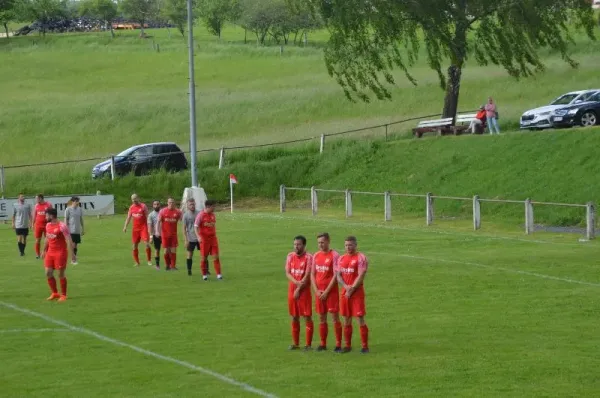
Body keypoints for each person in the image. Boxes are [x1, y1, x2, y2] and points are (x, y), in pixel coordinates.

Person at [337, 236, 369, 353]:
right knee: (346, 319)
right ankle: (347, 345)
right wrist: (346, 287)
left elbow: (361, 275)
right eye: (346, 245)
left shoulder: (361, 258)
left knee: (360, 318)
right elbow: (338, 275)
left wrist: (352, 288)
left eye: (350, 245)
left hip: (357, 293)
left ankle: (365, 346)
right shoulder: (341, 258)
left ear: (355, 245)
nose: (348, 247)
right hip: (345, 292)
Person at [311, 232, 342, 352]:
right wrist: (316, 290)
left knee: (335, 317)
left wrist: (326, 291)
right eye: (319, 243)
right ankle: (323, 343)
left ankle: (338, 344)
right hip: (319, 292)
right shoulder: (316, 255)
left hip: (331, 292)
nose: (320, 245)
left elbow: (335, 275)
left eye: (322, 242)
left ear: (328, 241)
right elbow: (313, 274)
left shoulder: (334, 255)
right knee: (321, 318)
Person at [285, 235, 314, 351]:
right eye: (295, 244)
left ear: (304, 245)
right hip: (292, 290)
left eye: (299, 244)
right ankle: (295, 343)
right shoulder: (290, 256)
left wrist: (298, 289)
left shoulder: (309, 257)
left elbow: (307, 276)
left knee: (307, 316)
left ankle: (308, 344)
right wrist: (296, 283)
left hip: (304, 292)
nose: (296, 247)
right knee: (294, 317)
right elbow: (287, 272)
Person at [42, 207, 75, 302]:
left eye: (47, 215)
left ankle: (64, 295)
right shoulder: (48, 225)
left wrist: (72, 254)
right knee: (48, 273)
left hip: (60, 253)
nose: (45, 217)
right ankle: (55, 293)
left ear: (52, 216)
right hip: (50, 252)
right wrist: (44, 250)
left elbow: (68, 240)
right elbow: (47, 238)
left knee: (60, 274)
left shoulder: (62, 226)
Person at [194, 199, 222, 281]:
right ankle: (204, 275)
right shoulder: (201, 215)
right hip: (204, 240)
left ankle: (219, 274)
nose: (214, 208)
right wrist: (198, 237)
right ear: (208, 207)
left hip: (213, 239)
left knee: (216, 256)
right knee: (204, 258)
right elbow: (195, 226)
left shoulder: (213, 215)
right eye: (213, 206)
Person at [123, 194, 152, 267]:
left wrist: (149, 226)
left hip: (143, 228)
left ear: (138, 198)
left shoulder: (143, 206)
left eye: (135, 198)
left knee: (147, 244)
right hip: (135, 229)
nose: (134, 200)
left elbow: (148, 217)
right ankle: (137, 262)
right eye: (132, 199)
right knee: (134, 246)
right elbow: (128, 217)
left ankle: (149, 260)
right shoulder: (131, 207)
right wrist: (125, 226)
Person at [158, 197, 183, 271]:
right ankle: (167, 265)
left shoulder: (178, 212)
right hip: (165, 234)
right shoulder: (163, 211)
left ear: (174, 203)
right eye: (170, 202)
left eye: (172, 202)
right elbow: (158, 222)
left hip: (173, 235)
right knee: (166, 251)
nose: (171, 204)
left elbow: (182, 220)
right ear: (167, 203)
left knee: (173, 250)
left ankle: (173, 266)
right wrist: (157, 231)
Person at [64, 196, 84, 265]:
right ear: (72, 202)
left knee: (75, 245)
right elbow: (66, 219)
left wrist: (83, 228)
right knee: (72, 245)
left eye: (78, 201)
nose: (77, 202)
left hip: (77, 230)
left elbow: (81, 219)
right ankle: (73, 260)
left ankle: (74, 257)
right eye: (76, 201)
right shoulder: (68, 209)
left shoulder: (79, 209)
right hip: (70, 230)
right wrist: (65, 229)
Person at [182, 198, 200, 276]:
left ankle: (206, 270)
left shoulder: (199, 213)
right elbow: (183, 228)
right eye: (190, 204)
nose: (192, 206)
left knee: (204, 254)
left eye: (193, 204)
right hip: (191, 238)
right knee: (189, 254)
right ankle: (189, 270)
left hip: (199, 237)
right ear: (188, 205)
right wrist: (186, 240)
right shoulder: (185, 215)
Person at [32, 194, 53, 259]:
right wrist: (33, 224)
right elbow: (34, 215)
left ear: (41, 198)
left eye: (37, 198)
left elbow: (52, 214)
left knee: (47, 239)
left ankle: (46, 253)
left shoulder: (48, 205)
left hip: (47, 225)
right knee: (38, 240)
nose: (36, 200)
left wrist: (52, 223)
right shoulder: (36, 206)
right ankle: (38, 254)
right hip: (38, 225)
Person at [147, 200, 162, 270]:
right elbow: (150, 227)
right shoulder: (151, 215)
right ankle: (157, 265)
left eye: (157, 204)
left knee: (168, 250)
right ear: (153, 206)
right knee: (157, 250)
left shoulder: (163, 213)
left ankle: (170, 265)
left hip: (164, 234)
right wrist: (150, 237)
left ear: (160, 205)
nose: (156, 206)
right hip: (156, 235)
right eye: (155, 204)